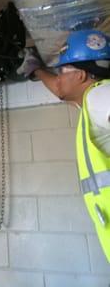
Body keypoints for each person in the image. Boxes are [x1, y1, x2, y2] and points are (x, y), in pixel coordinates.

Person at [17, 29, 110, 262]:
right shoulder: (92, 100)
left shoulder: (100, 97)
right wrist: (37, 70)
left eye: (62, 70)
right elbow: (59, 89)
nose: (57, 76)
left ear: (80, 75)